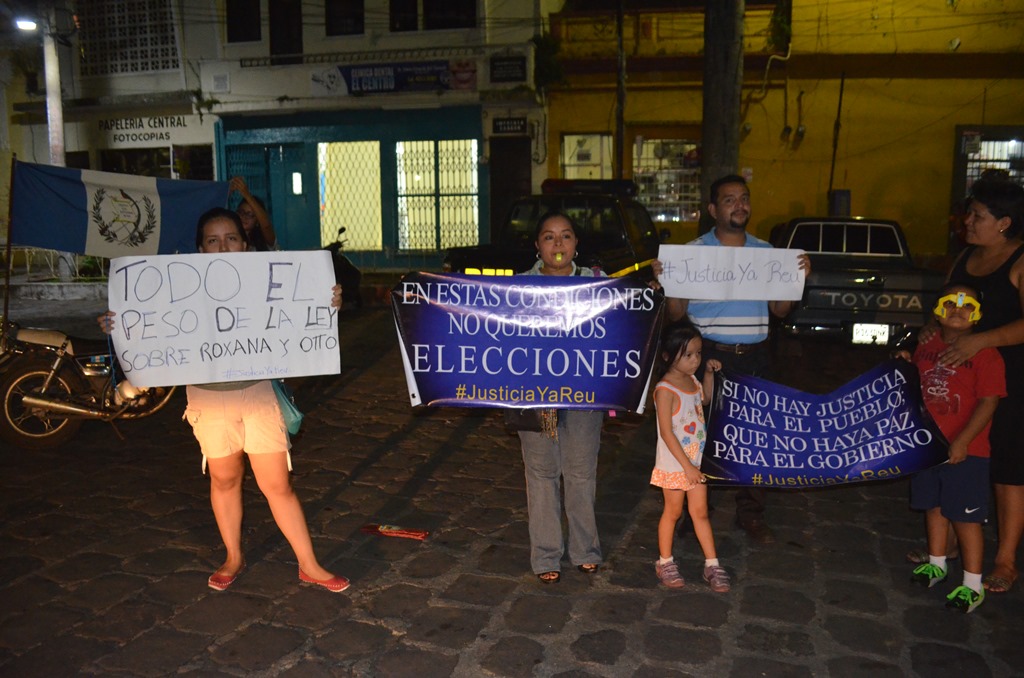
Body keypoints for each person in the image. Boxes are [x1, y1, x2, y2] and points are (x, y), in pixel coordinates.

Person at [98, 207, 348, 593]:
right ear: (200, 249)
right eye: (212, 240)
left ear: (245, 245)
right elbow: (150, 330)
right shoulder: (177, 293)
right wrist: (121, 325)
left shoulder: (268, 286)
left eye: (231, 238)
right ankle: (233, 556)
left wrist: (327, 303)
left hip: (259, 395)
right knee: (224, 478)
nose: (222, 247)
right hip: (208, 401)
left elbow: (303, 315)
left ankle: (309, 564)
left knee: (277, 484)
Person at [656, 174, 811, 545]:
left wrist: (797, 278)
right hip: (707, 357)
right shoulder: (693, 253)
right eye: (729, 200)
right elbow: (677, 314)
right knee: (696, 436)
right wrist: (669, 283)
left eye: (744, 198)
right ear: (713, 209)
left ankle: (751, 514)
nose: (739, 205)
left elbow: (781, 310)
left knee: (755, 439)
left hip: (755, 356)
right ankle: (688, 510)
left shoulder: (767, 253)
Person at [938, 176, 1024, 594]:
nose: (968, 221)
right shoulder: (963, 258)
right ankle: (949, 544)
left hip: (1009, 379)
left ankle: (1005, 559)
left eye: (978, 216)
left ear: (1005, 223)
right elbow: (945, 311)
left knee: (1007, 467)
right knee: (960, 454)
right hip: (961, 381)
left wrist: (981, 341)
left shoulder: (1021, 261)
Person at [897, 283, 1006, 613]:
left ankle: (972, 584)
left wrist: (963, 442)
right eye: (951, 303)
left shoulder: (986, 355)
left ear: (978, 314)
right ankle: (937, 562)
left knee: (965, 518)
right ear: (937, 310)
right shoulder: (927, 345)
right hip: (929, 445)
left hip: (967, 451)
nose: (959, 310)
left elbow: (988, 402)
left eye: (967, 306)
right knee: (934, 506)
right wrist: (904, 361)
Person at [517, 210, 605, 583]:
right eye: (549, 237)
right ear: (538, 245)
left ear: (576, 244)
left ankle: (585, 549)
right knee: (541, 474)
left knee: (581, 472)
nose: (558, 244)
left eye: (566, 236)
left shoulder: (599, 284)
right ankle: (546, 555)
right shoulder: (515, 288)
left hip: (584, 395)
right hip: (534, 396)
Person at [651, 319, 730, 592]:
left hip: (696, 462)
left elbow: (705, 400)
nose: (695, 360)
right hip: (677, 464)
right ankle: (665, 561)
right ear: (667, 355)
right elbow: (667, 433)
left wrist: (708, 374)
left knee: (700, 512)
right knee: (672, 512)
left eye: (698, 353)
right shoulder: (665, 389)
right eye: (688, 355)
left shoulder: (692, 380)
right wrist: (687, 468)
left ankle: (712, 564)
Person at [230, 176, 276, 251]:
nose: (244, 217)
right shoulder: (229, 237)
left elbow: (266, 226)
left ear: (258, 221)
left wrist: (246, 194)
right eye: (241, 212)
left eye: (250, 214)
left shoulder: (264, 241)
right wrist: (227, 191)